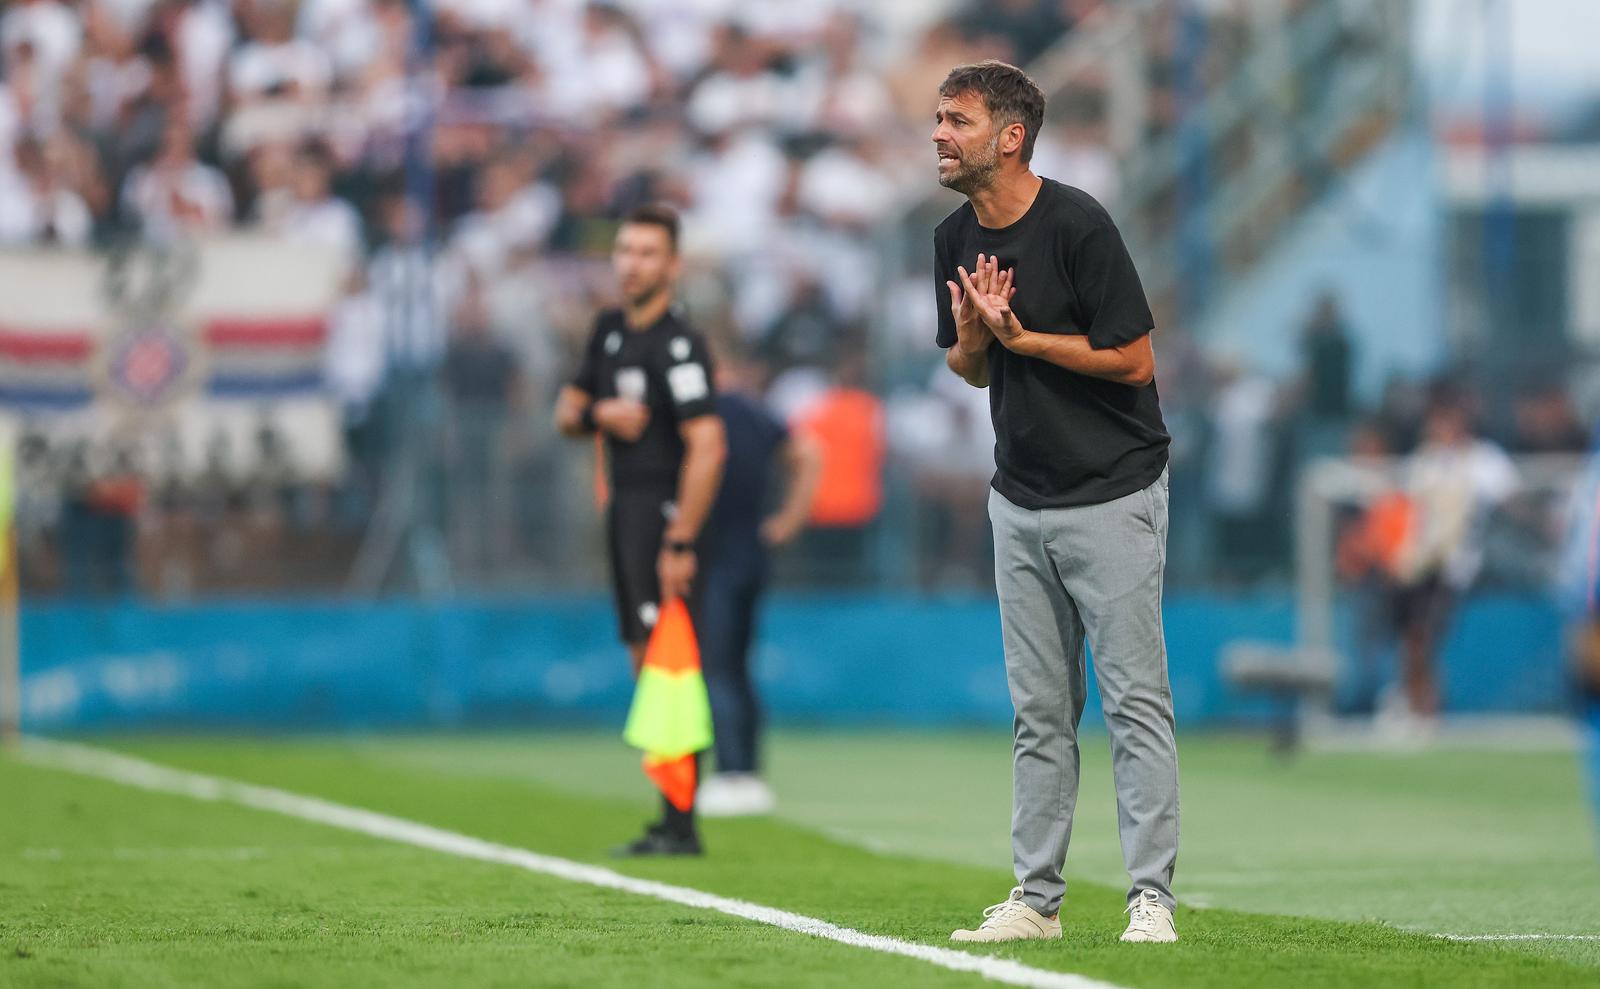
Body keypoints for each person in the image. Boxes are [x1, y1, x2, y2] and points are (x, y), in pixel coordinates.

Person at [931, 61, 1179, 945]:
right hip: (1020, 497)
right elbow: (970, 368)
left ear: (1010, 136)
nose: (939, 134)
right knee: (1040, 711)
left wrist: (1024, 338)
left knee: (1133, 700)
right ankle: (1036, 901)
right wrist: (972, 341)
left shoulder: (1078, 223)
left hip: (1112, 490)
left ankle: (1151, 897)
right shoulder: (952, 238)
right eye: (938, 118)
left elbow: (1135, 361)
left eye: (956, 120)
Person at [554, 204, 726, 856]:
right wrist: (602, 412)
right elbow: (564, 412)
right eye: (625, 250)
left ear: (673, 265)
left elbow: (707, 446)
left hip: (661, 510)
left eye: (648, 252)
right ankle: (670, 814)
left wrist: (681, 538)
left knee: (669, 662)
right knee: (643, 659)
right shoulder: (607, 330)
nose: (632, 263)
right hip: (623, 507)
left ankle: (681, 823)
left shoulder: (679, 343)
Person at [695, 351, 821, 817]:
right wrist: (787, 521)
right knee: (739, 665)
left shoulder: (702, 413)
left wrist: (790, 519)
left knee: (717, 665)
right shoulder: (753, 410)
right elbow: (807, 453)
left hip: (712, 553)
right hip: (751, 549)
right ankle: (747, 771)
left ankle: (731, 773)